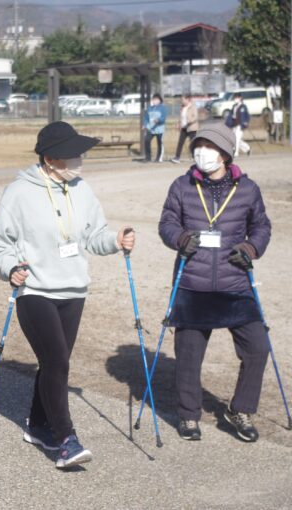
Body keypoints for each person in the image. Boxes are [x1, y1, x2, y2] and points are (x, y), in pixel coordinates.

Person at [0, 121, 135, 470]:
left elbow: (93, 235)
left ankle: (38, 427)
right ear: (51, 158)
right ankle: (66, 439)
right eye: (73, 154)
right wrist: (10, 267)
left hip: (74, 290)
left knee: (53, 362)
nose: (79, 160)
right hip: (34, 290)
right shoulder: (18, 192)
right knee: (58, 361)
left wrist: (115, 241)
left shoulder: (81, 189)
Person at [159, 123, 271, 442]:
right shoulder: (182, 186)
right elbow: (167, 222)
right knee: (189, 354)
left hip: (235, 283)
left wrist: (250, 248)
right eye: (198, 145)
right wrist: (181, 238)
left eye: (208, 146)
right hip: (193, 284)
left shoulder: (247, 189)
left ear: (224, 153)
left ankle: (240, 410)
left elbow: (261, 227)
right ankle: (189, 416)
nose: (201, 152)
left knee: (257, 348)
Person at [171, 95, 199, 163]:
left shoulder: (193, 106)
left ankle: (195, 157)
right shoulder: (182, 107)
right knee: (180, 142)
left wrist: (189, 121)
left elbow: (195, 117)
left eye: (183, 100)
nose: (182, 101)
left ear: (187, 99)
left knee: (193, 143)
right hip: (184, 128)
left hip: (191, 128)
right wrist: (179, 123)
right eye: (182, 100)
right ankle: (177, 157)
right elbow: (181, 117)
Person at [143, 93, 168, 163]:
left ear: (160, 100)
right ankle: (148, 157)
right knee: (146, 140)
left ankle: (158, 157)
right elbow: (146, 118)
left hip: (159, 129)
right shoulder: (150, 108)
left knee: (159, 143)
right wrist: (144, 124)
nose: (154, 101)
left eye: (156, 99)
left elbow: (164, 117)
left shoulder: (162, 108)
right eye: (153, 99)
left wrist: (159, 120)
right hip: (151, 129)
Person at [226, 93, 251, 158]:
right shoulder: (234, 106)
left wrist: (246, 122)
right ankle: (247, 148)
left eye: (236, 98)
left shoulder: (243, 106)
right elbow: (231, 116)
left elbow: (247, 116)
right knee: (236, 139)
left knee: (237, 139)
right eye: (234, 98)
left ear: (240, 98)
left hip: (240, 125)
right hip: (234, 125)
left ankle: (236, 152)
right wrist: (228, 123)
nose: (235, 99)